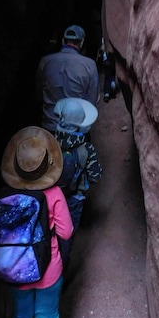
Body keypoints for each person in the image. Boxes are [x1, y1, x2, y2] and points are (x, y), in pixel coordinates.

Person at [0, 126, 74, 318]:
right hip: (48, 269)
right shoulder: (52, 194)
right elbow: (66, 230)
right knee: (47, 317)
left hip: (17, 268)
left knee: (21, 317)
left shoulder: (7, 193)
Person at [53, 97, 102, 264]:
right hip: (74, 199)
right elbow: (95, 177)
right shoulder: (86, 149)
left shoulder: (49, 141)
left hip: (52, 196)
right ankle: (62, 268)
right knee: (66, 235)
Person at [35, 24, 99, 132]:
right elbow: (92, 102)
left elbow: (37, 96)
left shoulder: (45, 62)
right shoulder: (90, 65)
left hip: (49, 127)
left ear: (63, 41)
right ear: (81, 43)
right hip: (75, 130)